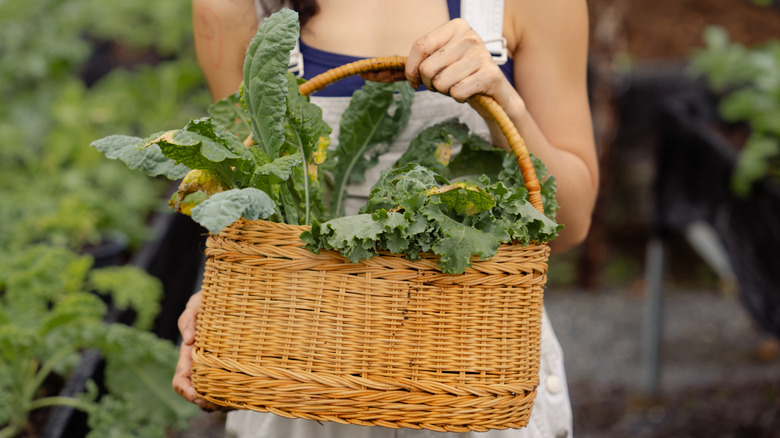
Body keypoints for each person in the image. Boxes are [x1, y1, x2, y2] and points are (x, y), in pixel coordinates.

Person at [174, 0, 598, 437]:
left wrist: (506, 105)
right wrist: (226, 305)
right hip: (304, 385)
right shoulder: (234, 8)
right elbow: (250, 200)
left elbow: (571, 223)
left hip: (475, 376)